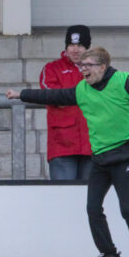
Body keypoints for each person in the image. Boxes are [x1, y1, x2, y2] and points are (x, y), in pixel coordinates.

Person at [6, 47, 129, 257]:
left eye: (88, 65)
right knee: (93, 209)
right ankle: (110, 253)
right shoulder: (81, 90)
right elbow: (52, 94)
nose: (83, 70)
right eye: (81, 66)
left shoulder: (122, 83)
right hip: (99, 158)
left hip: (122, 156)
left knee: (127, 208)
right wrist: (21, 94)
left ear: (102, 67)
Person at [40, 25, 93, 180]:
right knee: (63, 197)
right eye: (71, 45)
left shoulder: (98, 69)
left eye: (80, 45)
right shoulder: (52, 69)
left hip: (93, 144)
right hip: (62, 145)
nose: (75, 50)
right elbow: (51, 95)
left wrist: (68, 98)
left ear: (87, 47)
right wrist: (86, 97)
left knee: (91, 198)